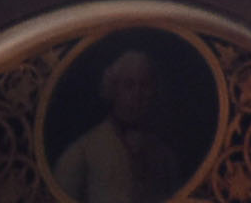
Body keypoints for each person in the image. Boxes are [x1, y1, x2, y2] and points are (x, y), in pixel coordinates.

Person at [50, 45, 189, 203]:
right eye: (129, 85)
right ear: (113, 90)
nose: (137, 94)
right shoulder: (81, 153)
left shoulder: (164, 157)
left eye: (145, 85)